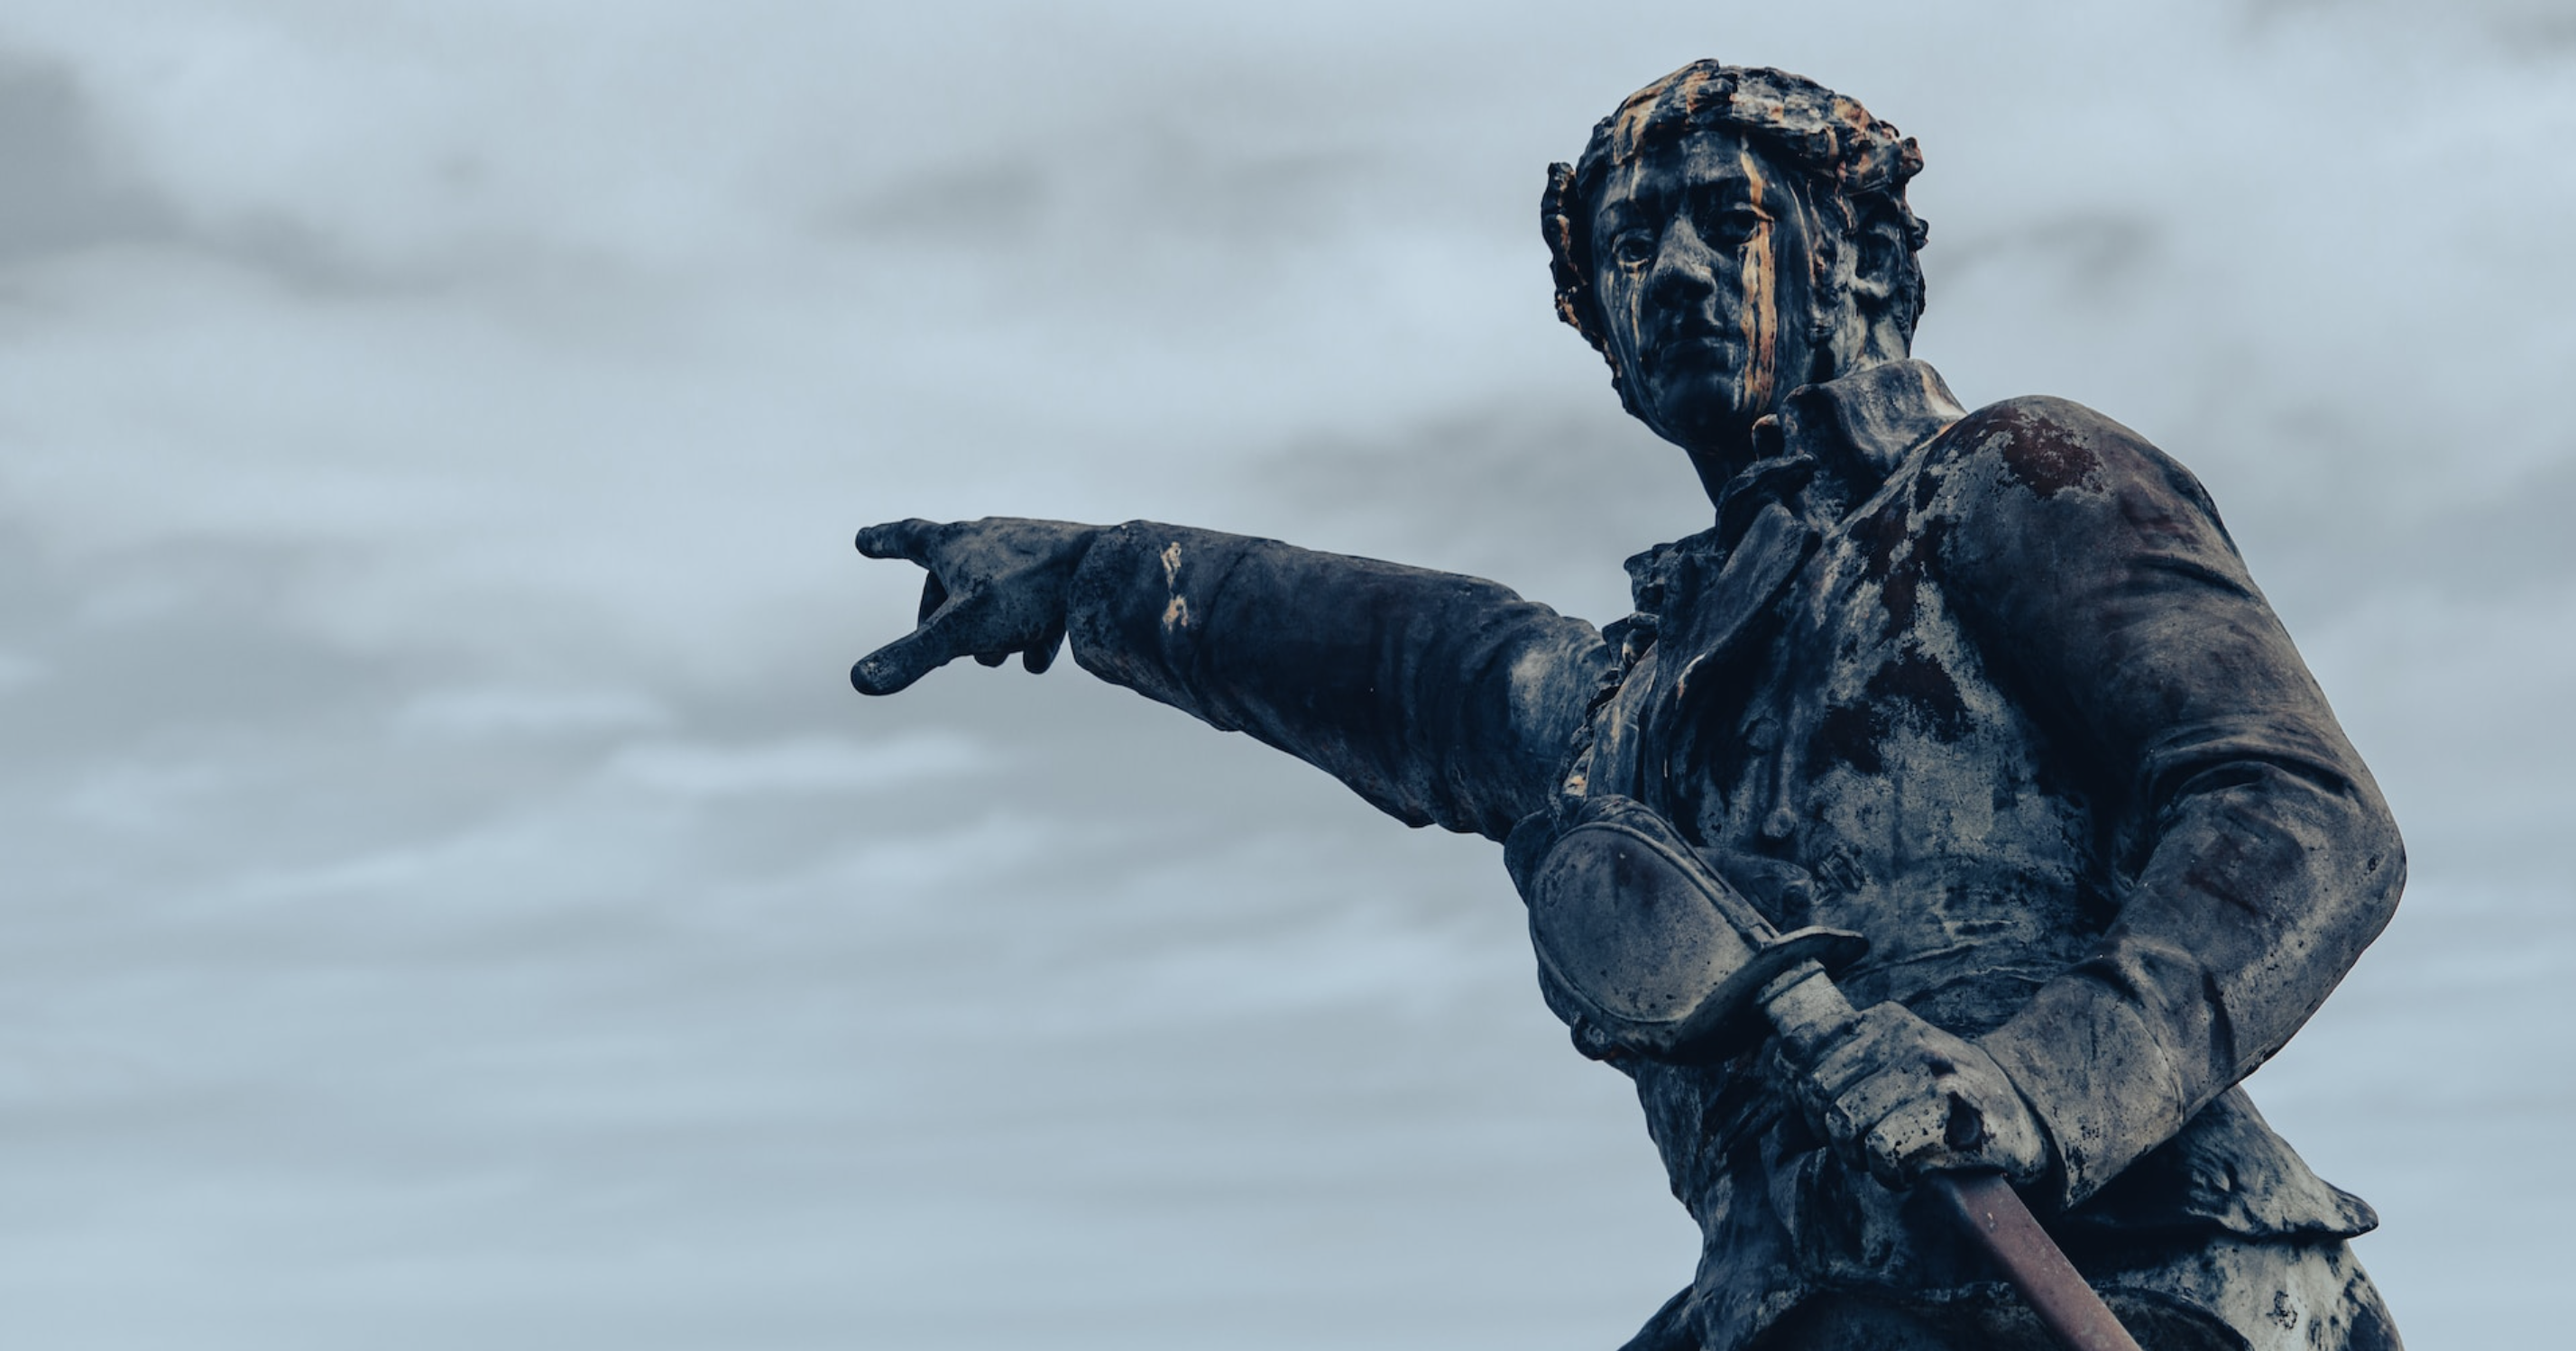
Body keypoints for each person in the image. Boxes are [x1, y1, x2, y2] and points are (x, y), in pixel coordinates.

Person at [849, 61, 2406, 1351]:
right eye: (1626, 245)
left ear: (1860, 264)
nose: (1666, 270)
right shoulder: (1617, 710)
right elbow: (1385, 651)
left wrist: (2037, 1076)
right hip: (1792, 1304)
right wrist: (1083, 574)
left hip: (2123, 1284)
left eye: (1724, 220)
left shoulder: (2003, 484)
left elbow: (2298, 812)